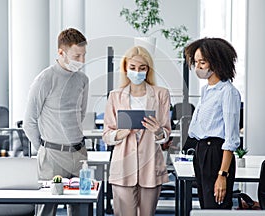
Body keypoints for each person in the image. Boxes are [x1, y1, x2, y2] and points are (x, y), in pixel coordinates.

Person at [23, 28, 88, 216]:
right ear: (61, 53)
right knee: (46, 210)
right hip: (51, 155)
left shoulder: (83, 79)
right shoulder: (45, 79)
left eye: (84, 55)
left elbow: (80, 115)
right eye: (77, 55)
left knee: (80, 209)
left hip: (78, 153)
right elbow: (29, 122)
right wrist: (44, 147)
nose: (82, 61)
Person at [102, 46, 171, 216]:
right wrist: (120, 133)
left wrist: (158, 131)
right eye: (132, 68)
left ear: (148, 70)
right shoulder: (115, 96)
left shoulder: (161, 94)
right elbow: (106, 135)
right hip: (123, 166)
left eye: (142, 68)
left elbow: (166, 135)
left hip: (151, 166)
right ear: (125, 68)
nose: (137, 72)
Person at [184, 37, 241, 209]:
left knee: (216, 207)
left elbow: (230, 139)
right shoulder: (206, 90)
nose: (198, 67)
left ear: (216, 62)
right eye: (196, 62)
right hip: (202, 151)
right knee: (205, 206)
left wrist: (222, 174)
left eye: (203, 62)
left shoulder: (228, 92)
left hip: (216, 153)